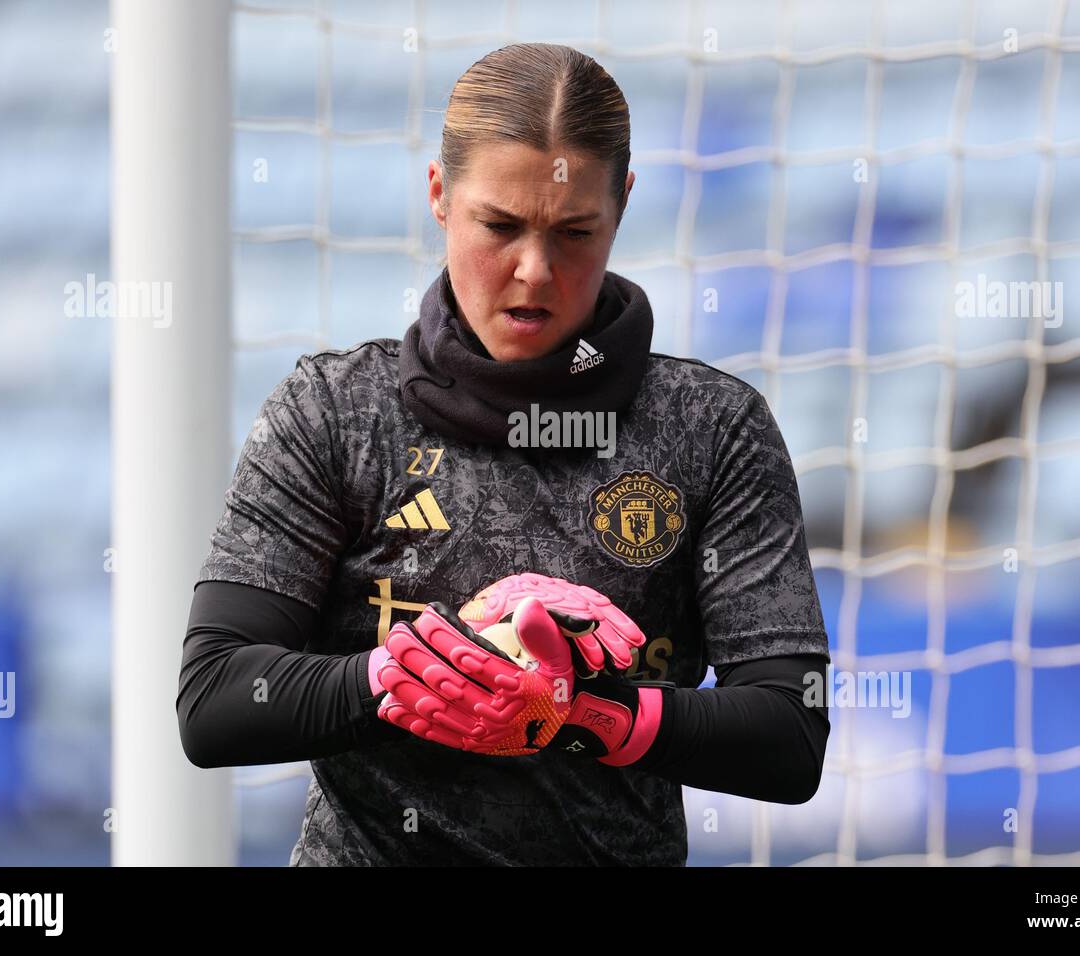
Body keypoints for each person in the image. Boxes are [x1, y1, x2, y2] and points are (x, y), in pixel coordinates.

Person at [177, 41, 830, 866]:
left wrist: (587, 713)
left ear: (622, 205)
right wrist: (420, 674)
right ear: (440, 195)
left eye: (574, 231)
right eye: (501, 225)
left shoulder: (713, 427)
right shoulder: (333, 410)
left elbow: (789, 730)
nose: (534, 270)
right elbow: (214, 701)